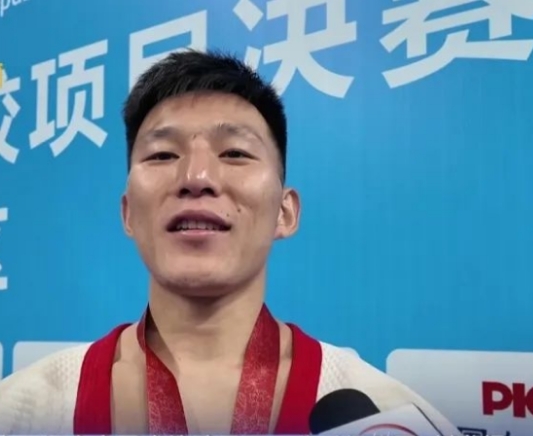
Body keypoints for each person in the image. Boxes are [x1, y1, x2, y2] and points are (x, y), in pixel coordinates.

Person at [0, 50, 460, 435]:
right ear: (128, 214)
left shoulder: (383, 414)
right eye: (163, 154)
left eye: (235, 153)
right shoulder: (23, 409)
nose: (196, 176)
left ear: (285, 212)